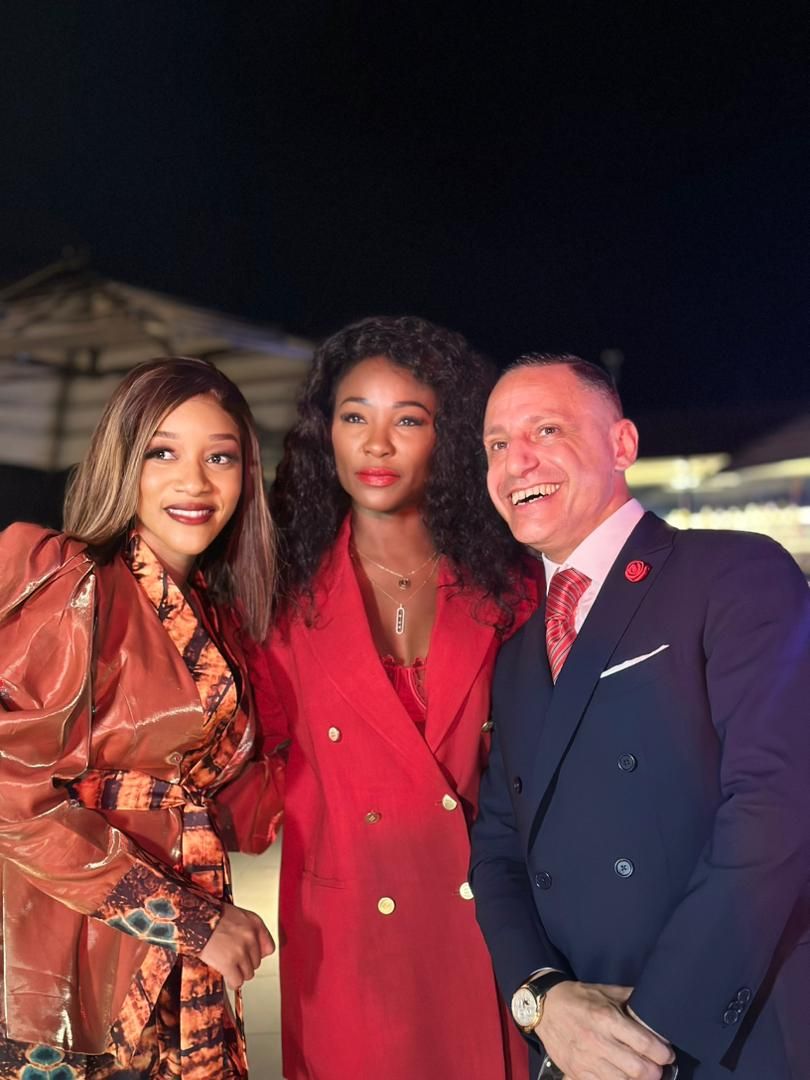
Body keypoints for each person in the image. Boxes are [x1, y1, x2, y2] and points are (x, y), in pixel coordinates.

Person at [469, 353, 810, 1079]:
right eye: (497, 443)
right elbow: (497, 849)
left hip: (724, 1038)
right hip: (576, 1044)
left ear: (621, 444)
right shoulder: (520, 654)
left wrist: (645, 1031)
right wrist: (541, 998)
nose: (515, 461)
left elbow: (776, 807)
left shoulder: (734, 574)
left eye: (546, 430)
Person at [246, 315, 537, 1079]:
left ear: (449, 438)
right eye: (355, 418)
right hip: (348, 938)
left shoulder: (512, 589)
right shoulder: (276, 602)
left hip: (493, 931)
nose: (376, 446)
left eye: (408, 420)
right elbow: (242, 782)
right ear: (326, 434)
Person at [0, 357, 283, 1079]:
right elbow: (10, 795)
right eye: (163, 452)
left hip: (174, 968)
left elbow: (243, 805)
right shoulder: (74, 584)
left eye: (220, 457)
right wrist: (187, 918)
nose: (195, 482)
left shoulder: (218, 615)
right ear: (121, 461)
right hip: (65, 966)